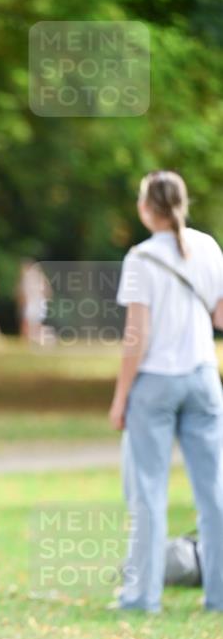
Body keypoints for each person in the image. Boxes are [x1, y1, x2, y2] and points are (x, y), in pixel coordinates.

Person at [109, 170, 223, 612]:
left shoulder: (140, 258)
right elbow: (218, 317)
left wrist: (121, 397)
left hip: (156, 383)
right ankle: (217, 595)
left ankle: (142, 597)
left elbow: (137, 335)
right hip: (202, 378)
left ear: (145, 207)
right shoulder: (209, 247)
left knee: (149, 493)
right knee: (213, 492)